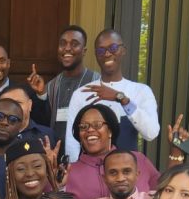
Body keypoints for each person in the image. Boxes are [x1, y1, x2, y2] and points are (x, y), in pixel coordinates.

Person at [63, 28, 160, 161]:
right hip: (91, 171)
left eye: (113, 48)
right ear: (96, 55)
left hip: (127, 171)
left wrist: (122, 99)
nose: (107, 54)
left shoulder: (140, 91)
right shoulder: (81, 94)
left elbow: (151, 133)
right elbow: (71, 141)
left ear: (123, 50)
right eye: (101, 50)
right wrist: (73, 173)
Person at [64, 103, 159, 199]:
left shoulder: (138, 160)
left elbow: (165, 191)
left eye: (97, 125)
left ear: (110, 131)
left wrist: (175, 154)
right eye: (83, 127)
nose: (90, 130)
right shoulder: (68, 172)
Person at [28, 25, 101, 141]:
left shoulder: (97, 82)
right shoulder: (51, 86)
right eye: (63, 43)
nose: (67, 48)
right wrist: (41, 94)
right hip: (56, 154)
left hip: (87, 154)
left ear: (84, 51)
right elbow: (42, 124)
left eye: (74, 44)